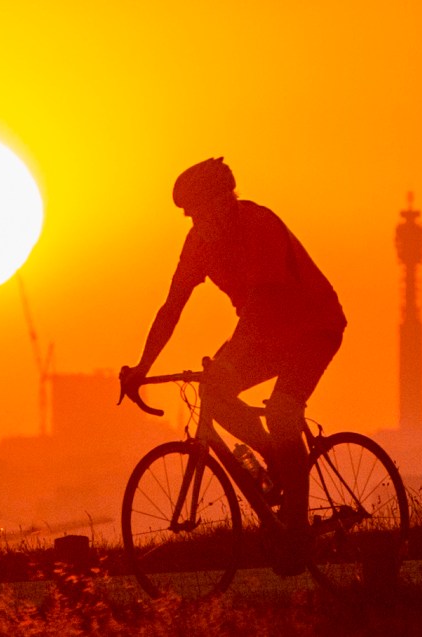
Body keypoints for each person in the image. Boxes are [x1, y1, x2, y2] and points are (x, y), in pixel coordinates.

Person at [122, 157, 346, 575]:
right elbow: (171, 307)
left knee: (281, 412)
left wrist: (229, 357)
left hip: (313, 328)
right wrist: (141, 366)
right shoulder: (198, 243)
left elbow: (262, 302)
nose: (192, 221)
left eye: (196, 210)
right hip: (267, 337)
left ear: (223, 201)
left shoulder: (256, 225)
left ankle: (296, 532)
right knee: (215, 394)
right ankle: (276, 459)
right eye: (187, 215)